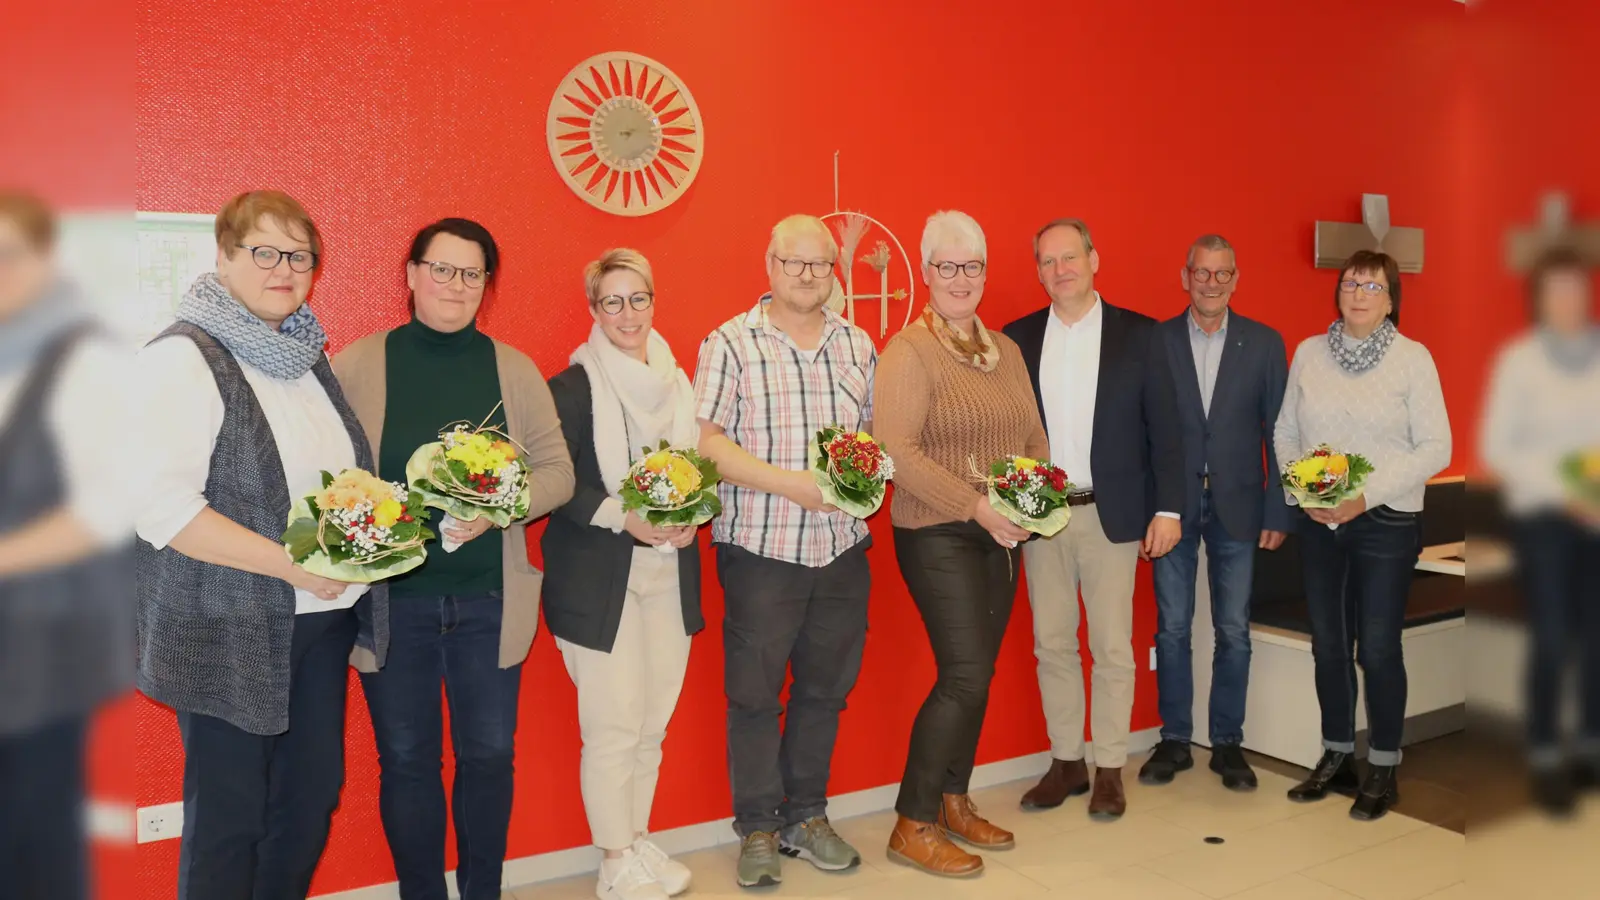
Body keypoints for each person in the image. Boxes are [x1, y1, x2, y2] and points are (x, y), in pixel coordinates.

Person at [135, 189, 384, 899]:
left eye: (299, 255)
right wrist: (294, 565)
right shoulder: (182, 358)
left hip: (317, 624)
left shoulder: (306, 357)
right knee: (229, 817)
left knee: (306, 802)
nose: (284, 268)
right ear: (223, 256)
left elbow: (335, 481)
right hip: (225, 624)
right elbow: (162, 509)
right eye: (264, 251)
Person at [333, 218, 574, 900]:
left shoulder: (514, 370)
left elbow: (558, 472)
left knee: (489, 758)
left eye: (472, 274)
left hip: (487, 602)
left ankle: (481, 892)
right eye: (441, 269)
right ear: (410, 275)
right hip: (392, 607)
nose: (455, 286)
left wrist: (502, 508)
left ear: (486, 287)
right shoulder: (359, 364)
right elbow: (324, 473)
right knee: (407, 762)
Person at [693, 214, 875, 888]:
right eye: (794, 262)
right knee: (754, 698)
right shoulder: (731, 343)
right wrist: (793, 486)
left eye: (820, 264)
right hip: (762, 551)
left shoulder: (858, 345)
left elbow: (868, 442)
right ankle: (759, 829)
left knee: (825, 693)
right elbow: (707, 444)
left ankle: (807, 816)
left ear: (835, 271)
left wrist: (860, 481)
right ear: (769, 264)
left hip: (841, 551)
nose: (807, 274)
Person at [873, 211, 1044, 877]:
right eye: (947, 265)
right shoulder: (908, 352)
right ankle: (911, 824)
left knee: (976, 676)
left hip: (1001, 532)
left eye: (972, 265)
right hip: (936, 529)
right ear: (925, 271)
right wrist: (976, 505)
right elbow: (896, 451)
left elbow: (1032, 436)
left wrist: (1032, 500)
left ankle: (952, 799)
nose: (960, 278)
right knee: (965, 674)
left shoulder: (1007, 351)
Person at [1002, 218, 1184, 820]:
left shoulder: (1142, 336)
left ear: (1094, 259)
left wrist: (1169, 508)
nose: (1060, 270)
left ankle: (1110, 767)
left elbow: (1168, 428)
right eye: (1048, 261)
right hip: (1042, 516)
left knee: (1111, 647)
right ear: (1040, 272)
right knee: (1050, 643)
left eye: (1070, 257)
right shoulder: (1017, 339)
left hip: (1115, 515)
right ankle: (1066, 762)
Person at [544, 249, 703, 900]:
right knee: (612, 727)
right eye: (612, 301)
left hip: (670, 573)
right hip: (599, 583)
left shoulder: (677, 383)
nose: (627, 313)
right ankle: (613, 863)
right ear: (593, 311)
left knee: (651, 725)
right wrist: (624, 518)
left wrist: (693, 513)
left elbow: (693, 473)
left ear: (653, 302)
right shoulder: (571, 388)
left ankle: (636, 841)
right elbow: (557, 486)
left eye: (638, 299)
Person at [1274, 249, 1451, 821]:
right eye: (1351, 283)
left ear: (1391, 299)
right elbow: (1285, 431)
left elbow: (1436, 448)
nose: (1358, 293)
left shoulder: (1412, 359)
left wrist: (1361, 498)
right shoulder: (1308, 353)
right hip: (1321, 520)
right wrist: (1307, 492)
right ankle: (1336, 756)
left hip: (1386, 520)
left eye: (1372, 287)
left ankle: (1384, 765)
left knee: (1376, 648)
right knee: (1329, 644)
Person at [0, 189, 134, 900]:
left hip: (42, 651)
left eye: (10, 255)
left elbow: (106, 508)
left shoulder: (85, 364)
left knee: (35, 843)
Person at [1140, 235, 1289, 791]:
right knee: (1172, 627)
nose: (1211, 283)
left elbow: (1280, 433)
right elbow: (1142, 431)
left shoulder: (1266, 344)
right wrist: (1144, 511)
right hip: (1170, 505)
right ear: (1185, 277)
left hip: (1241, 503)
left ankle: (1228, 744)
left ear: (1236, 279)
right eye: (1201, 273)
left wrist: (1280, 505)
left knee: (1234, 630)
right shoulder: (1155, 342)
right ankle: (1175, 739)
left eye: (1222, 274)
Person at [1480, 246, 1600, 816]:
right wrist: (1568, 493)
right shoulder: (1519, 362)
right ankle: (1547, 755)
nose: (1568, 300)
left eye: (1576, 289)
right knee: (1552, 639)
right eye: (1555, 290)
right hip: (1544, 520)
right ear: (1539, 298)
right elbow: (1498, 446)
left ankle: (1592, 748)